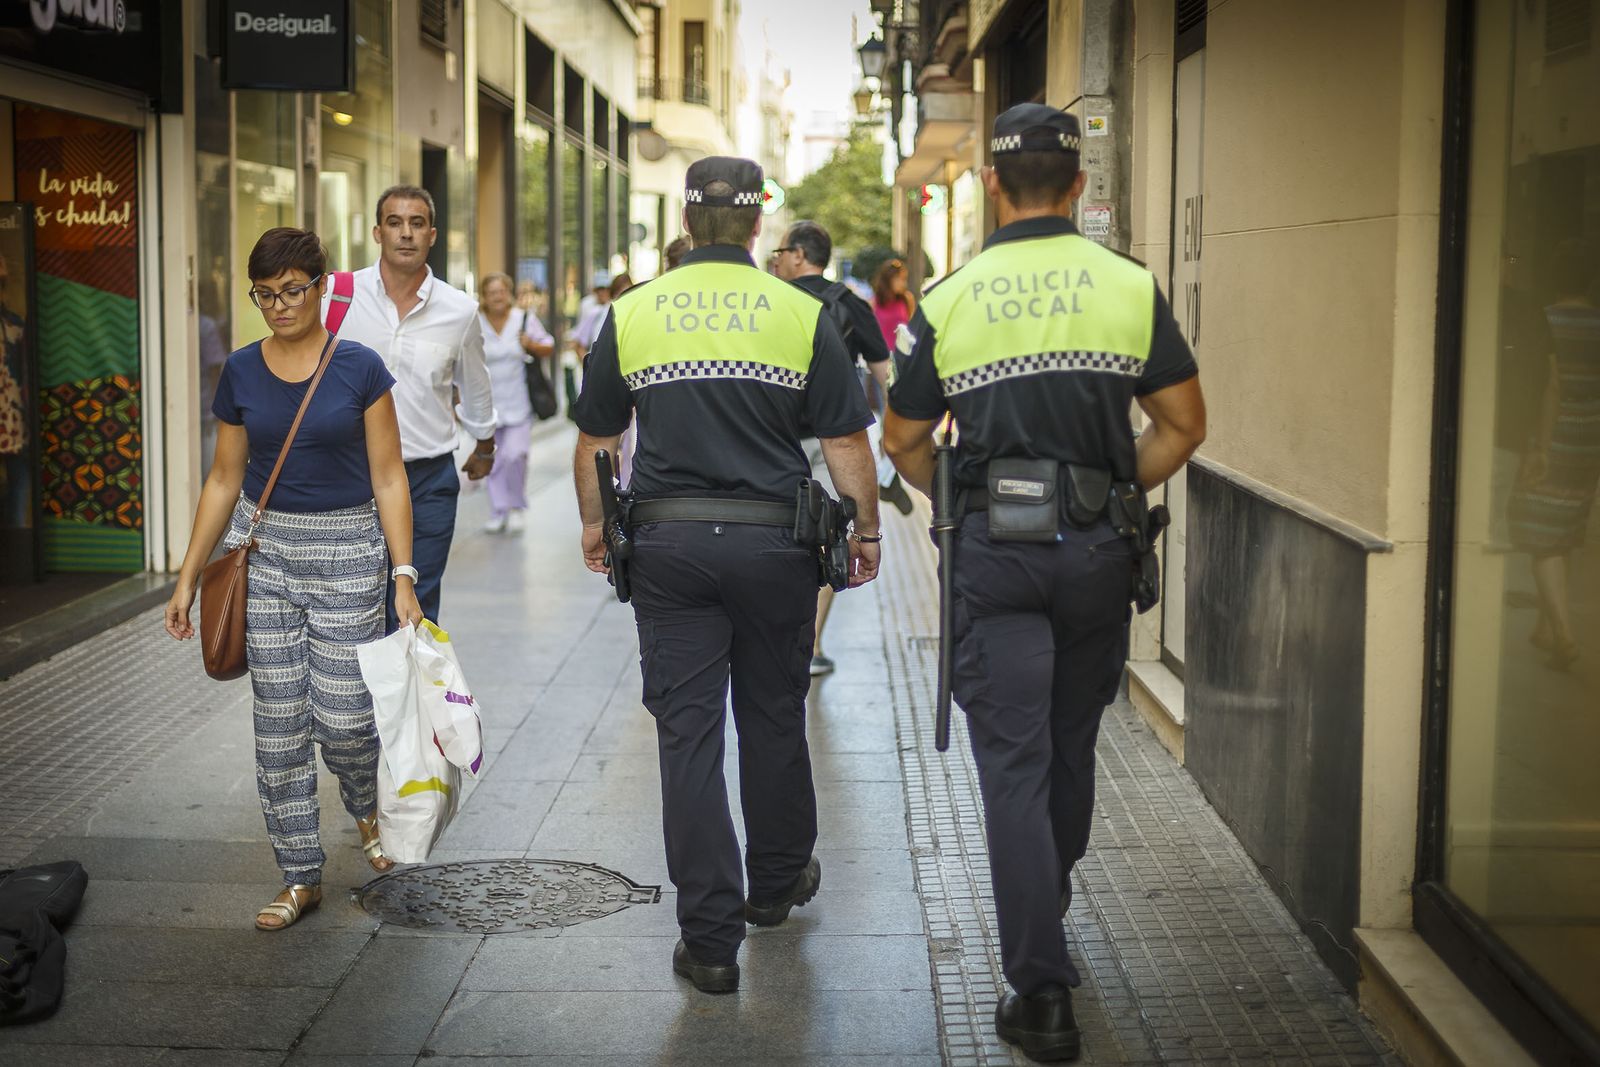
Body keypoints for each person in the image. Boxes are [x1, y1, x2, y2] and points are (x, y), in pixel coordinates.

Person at [884, 104, 1206, 1062]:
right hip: (1098, 556)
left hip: (998, 554)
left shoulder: (950, 298)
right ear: (1077, 185)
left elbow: (902, 438)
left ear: (993, 183)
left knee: (1012, 764)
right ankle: (1046, 906)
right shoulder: (1129, 287)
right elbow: (1184, 426)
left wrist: (968, 501)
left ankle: (1040, 985)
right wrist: (1105, 493)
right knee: (1069, 748)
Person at [572, 156, 881, 994]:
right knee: (775, 711)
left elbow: (598, 437)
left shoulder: (630, 312)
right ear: (756, 225)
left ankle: (709, 940)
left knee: (689, 732)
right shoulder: (795, 309)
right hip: (775, 546)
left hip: (669, 551)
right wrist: (867, 531)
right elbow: (847, 440)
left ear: (686, 216)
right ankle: (775, 884)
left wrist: (597, 525)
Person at [164, 227, 424, 931]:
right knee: (278, 727)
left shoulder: (359, 367)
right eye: (265, 294)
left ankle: (364, 802)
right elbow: (223, 479)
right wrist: (189, 576)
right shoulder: (242, 371)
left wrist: (402, 574)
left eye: (292, 290)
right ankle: (299, 873)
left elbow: (389, 474)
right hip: (268, 556)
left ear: (321, 285)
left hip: (348, 555)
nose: (279, 305)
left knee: (343, 719)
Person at [333, 185, 495, 629]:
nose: (406, 233)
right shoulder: (337, 298)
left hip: (427, 479)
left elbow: (475, 385)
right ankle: (355, 697)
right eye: (395, 222)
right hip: (350, 473)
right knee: (351, 602)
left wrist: (485, 444)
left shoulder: (459, 310)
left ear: (433, 234)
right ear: (377, 232)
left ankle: (411, 698)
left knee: (414, 606)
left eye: (417, 223)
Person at [773, 219, 914, 676]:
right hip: (832, 440)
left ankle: (777, 639)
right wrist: (899, 431)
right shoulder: (850, 303)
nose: (775, 261)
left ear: (798, 254)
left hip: (771, 440)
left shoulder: (771, 300)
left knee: (770, 535)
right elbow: (884, 373)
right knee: (826, 536)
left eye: (780, 253)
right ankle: (809, 644)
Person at [1508, 240, 1599, 670]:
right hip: (1589, 442)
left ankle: (1562, 631)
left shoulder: (1548, 320)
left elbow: (1551, 386)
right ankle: (1545, 628)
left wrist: (1539, 446)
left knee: (1540, 531)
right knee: (1564, 531)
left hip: (1555, 435)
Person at [478, 272, 554, 534]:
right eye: (492, 292)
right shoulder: (476, 323)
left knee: (516, 455)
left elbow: (549, 346)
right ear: (484, 297)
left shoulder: (523, 319)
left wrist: (530, 343)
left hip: (519, 402)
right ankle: (499, 510)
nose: (497, 297)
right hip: (487, 406)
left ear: (508, 293)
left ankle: (517, 506)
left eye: (501, 291)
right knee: (494, 460)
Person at [871, 257, 916, 355]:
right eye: (901, 279)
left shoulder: (907, 299)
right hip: (881, 356)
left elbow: (912, 328)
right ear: (889, 279)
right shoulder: (873, 302)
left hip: (903, 356)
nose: (904, 283)